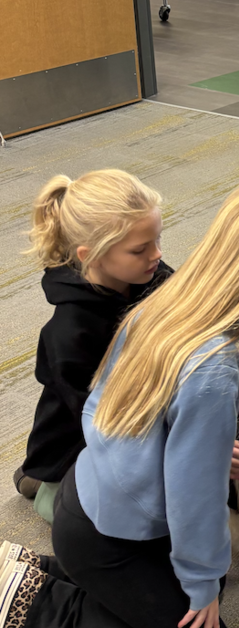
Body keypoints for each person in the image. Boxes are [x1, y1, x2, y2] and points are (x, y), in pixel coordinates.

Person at [0, 186, 239, 628]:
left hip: (91, 497)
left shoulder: (170, 299)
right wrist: (198, 584)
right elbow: (196, 499)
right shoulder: (211, 368)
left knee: (209, 576)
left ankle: (51, 572)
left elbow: (104, 409)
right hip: (103, 534)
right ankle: (38, 608)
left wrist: (227, 435)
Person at [16, 171, 172, 523]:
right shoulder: (69, 333)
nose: (157, 254)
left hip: (135, 405)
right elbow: (98, 424)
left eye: (157, 240)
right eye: (140, 249)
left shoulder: (152, 274)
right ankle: (44, 484)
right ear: (93, 256)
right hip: (79, 438)